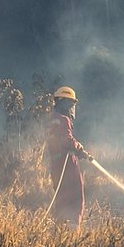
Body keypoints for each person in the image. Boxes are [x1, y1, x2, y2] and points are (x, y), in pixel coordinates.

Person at [44, 85, 91, 227]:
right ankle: (72, 232)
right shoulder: (64, 119)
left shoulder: (53, 119)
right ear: (66, 103)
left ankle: (59, 231)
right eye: (71, 104)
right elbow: (67, 140)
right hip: (67, 164)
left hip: (56, 165)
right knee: (76, 199)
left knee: (62, 199)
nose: (72, 108)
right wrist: (80, 148)